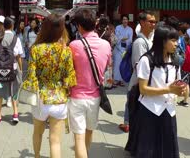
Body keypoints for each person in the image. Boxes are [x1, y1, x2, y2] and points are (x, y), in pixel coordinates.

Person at [125, 26, 186, 158]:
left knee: (168, 149)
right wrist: (168, 89)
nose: (176, 44)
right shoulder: (146, 60)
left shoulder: (175, 61)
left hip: (169, 110)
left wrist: (182, 90)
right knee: (148, 149)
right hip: (149, 110)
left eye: (177, 40)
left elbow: (177, 83)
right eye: (173, 40)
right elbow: (143, 89)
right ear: (162, 41)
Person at [21, 14, 76, 158]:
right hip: (59, 99)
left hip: (40, 99)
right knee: (55, 141)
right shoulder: (66, 50)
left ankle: (37, 155)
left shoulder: (36, 49)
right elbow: (70, 79)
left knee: (37, 133)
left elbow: (31, 77)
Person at [68, 9, 111, 158]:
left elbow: (69, 70)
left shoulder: (73, 45)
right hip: (95, 97)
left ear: (79, 26)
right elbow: (105, 67)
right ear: (96, 23)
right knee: (89, 132)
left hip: (77, 96)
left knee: (78, 138)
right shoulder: (106, 45)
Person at [119, 11, 155, 133]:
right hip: (138, 83)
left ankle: (128, 124)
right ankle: (127, 124)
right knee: (132, 107)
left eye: (154, 22)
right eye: (150, 21)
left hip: (144, 83)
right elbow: (140, 66)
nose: (153, 24)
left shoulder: (148, 40)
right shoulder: (140, 42)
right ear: (142, 23)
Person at [0, 17, 24, 126]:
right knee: (14, 91)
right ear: (12, 26)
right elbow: (19, 56)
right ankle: (15, 114)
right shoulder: (16, 38)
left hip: (1, 71)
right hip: (13, 70)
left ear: (3, 25)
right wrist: (21, 69)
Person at [112, 15, 133, 86]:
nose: (125, 21)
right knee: (116, 64)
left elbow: (130, 40)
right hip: (118, 48)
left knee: (123, 65)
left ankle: (121, 80)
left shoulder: (130, 29)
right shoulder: (118, 27)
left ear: (128, 21)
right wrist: (123, 38)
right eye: (124, 19)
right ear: (122, 20)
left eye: (126, 19)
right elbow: (117, 37)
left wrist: (123, 39)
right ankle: (116, 79)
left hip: (125, 49)